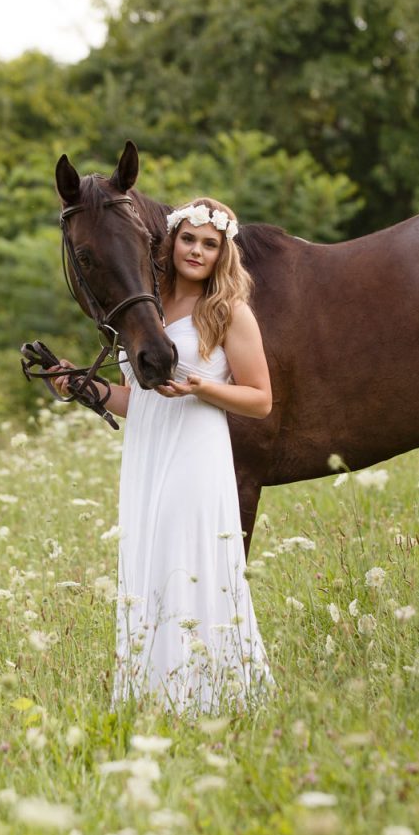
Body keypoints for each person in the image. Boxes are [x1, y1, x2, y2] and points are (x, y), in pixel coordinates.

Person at [54, 198, 272, 713]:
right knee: (148, 565)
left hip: (196, 455)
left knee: (187, 563)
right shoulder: (146, 311)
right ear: (171, 242)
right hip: (147, 454)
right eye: (189, 239)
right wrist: (84, 388)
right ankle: (154, 698)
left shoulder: (227, 312)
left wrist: (201, 388)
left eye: (209, 243)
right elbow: (138, 400)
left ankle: (211, 697)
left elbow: (261, 400)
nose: (196, 251)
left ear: (223, 253)